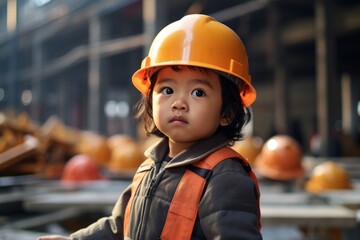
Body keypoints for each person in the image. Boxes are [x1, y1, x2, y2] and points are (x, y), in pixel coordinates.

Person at [38, 14, 262, 240]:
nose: (178, 103)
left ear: (228, 112)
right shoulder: (149, 167)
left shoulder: (224, 178)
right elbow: (119, 226)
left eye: (198, 92)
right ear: (150, 100)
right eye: (167, 90)